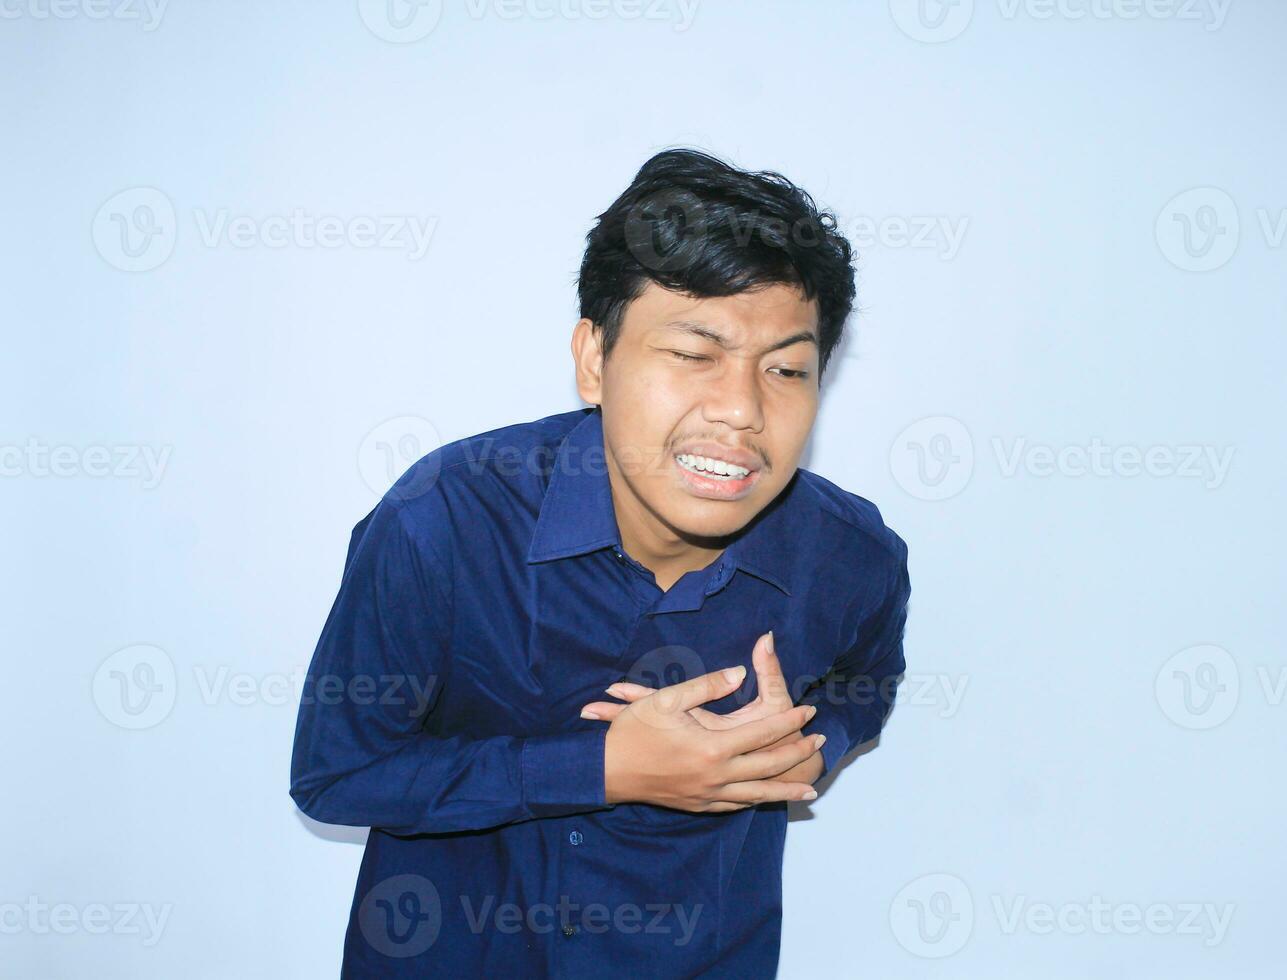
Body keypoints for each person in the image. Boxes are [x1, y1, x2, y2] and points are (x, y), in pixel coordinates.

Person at [288, 147, 913, 978]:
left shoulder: (851, 554)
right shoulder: (441, 523)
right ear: (595, 359)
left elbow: (867, 681)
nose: (739, 409)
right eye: (694, 353)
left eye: (787, 369)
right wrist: (602, 769)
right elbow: (338, 773)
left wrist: (817, 742)